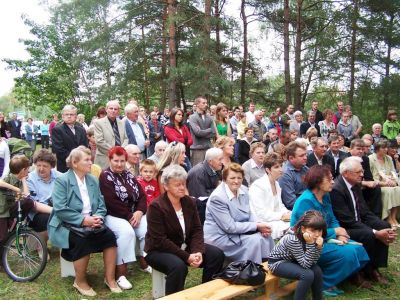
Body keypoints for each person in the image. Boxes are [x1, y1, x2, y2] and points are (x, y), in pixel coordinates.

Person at [48, 146, 121, 296]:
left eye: (90, 158)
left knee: (109, 237)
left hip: (91, 221)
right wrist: (83, 220)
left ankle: (110, 279)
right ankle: (80, 281)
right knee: (83, 240)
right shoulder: (62, 180)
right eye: (87, 160)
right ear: (74, 163)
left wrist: (98, 217)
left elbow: (101, 204)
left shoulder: (92, 179)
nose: (91, 162)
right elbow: (60, 209)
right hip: (66, 224)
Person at [145, 165, 225, 295]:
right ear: (166, 186)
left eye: (183, 184)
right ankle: (173, 298)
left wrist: (197, 251)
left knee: (216, 254)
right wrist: (187, 257)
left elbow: (197, 230)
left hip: (184, 245)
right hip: (158, 250)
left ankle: (208, 294)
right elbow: (160, 240)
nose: (182, 187)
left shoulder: (189, 202)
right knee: (178, 267)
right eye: (177, 185)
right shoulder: (156, 207)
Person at [291, 165, 369, 296]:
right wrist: (335, 232)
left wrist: (341, 234)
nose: (333, 182)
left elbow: (332, 218)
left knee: (360, 249)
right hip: (306, 244)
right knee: (349, 253)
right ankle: (323, 283)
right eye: (329, 179)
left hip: (324, 238)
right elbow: (310, 232)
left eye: (332, 178)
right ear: (317, 181)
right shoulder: (306, 201)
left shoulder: (325, 196)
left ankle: (331, 276)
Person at [330, 156, 396, 285]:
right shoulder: (337, 189)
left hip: (357, 222)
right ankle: (359, 272)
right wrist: (374, 232)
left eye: (362, 171)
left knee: (384, 226)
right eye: (358, 172)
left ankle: (374, 268)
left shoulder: (354, 184)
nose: (362, 174)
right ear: (346, 173)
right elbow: (347, 220)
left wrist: (379, 226)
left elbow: (365, 211)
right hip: (345, 228)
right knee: (368, 234)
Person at [99, 147, 150, 290]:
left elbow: (141, 196)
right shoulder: (105, 176)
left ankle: (145, 262)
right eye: (116, 161)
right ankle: (120, 274)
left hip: (134, 214)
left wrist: (140, 211)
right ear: (110, 160)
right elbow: (111, 202)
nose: (119, 164)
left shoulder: (128, 174)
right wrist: (129, 216)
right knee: (127, 232)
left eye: (122, 161)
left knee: (147, 229)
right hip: (113, 215)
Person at [204, 163, 274, 263]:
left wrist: (260, 227)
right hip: (221, 237)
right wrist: (257, 226)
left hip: (239, 232)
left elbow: (249, 214)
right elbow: (229, 227)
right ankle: (251, 272)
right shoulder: (217, 198)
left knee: (266, 237)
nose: (236, 181)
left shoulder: (244, 190)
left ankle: (269, 270)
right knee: (255, 241)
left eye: (239, 178)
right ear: (224, 179)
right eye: (232, 178)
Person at [0, 155, 51, 259]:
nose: (29, 171)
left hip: (9, 212)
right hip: (1, 212)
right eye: (27, 169)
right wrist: (16, 189)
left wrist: (23, 180)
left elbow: (27, 196)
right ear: (23, 170)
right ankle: (2, 263)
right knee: (2, 237)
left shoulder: (21, 180)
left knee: (28, 202)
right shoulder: (8, 178)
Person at [268, 210, 324, 300]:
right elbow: (306, 265)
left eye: (319, 230)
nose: (317, 234)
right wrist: (311, 244)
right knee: (307, 275)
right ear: (303, 229)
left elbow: (313, 261)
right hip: (277, 263)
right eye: (313, 230)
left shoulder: (311, 236)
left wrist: (318, 247)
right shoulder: (293, 239)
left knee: (317, 270)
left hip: (294, 259)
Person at [249, 152, 291, 239]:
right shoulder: (258, 186)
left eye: (281, 166)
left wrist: (288, 213)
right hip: (262, 222)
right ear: (268, 170)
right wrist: (282, 216)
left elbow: (280, 205)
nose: (281, 169)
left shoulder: (277, 184)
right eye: (276, 167)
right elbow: (261, 213)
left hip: (276, 219)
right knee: (293, 228)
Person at [27, 149, 59, 244]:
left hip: (57, 207)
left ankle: (63, 245)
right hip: (37, 212)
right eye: (38, 165)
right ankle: (41, 246)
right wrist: (55, 211)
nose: (41, 169)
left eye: (45, 166)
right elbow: (34, 204)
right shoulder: (30, 179)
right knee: (47, 218)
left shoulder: (60, 177)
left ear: (52, 167)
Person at [187, 148, 223, 224]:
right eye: (220, 159)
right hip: (200, 214)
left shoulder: (216, 169)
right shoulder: (198, 172)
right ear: (210, 161)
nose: (222, 162)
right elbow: (200, 198)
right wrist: (218, 189)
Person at [348, 139, 382, 218]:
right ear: (351, 149)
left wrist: (368, 183)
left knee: (376, 189)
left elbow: (369, 177)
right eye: (358, 149)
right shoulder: (345, 158)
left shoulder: (365, 159)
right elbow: (348, 179)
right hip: (350, 186)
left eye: (362, 149)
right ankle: (361, 217)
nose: (360, 151)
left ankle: (376, 217)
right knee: (357, 189)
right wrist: (363, 183)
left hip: (362, 185)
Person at [368, 140, 400, 225]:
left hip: (390, 182)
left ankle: (394, 217)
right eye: (383, 147)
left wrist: (394, 181)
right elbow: (370, 176)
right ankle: (388, 217)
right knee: (389, 192)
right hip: (378, 183)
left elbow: (393, 171)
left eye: (386, 147)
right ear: (377, 149)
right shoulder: (370, 158)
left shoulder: (388, 158)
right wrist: (383, 183)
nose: (386, 149)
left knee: (398, 190)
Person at [51, 105, 89, 173]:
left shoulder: (81, 130)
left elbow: (85, 147)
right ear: (63, 116)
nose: (69, 116)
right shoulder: (57, 130)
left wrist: (82, 160)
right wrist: (76, 160)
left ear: (76, 116)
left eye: (71, 114)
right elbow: (59, 150)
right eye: (66, 114)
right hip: (65, 166)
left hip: (82, 166)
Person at [94, 100, 128, 169]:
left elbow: (126, 138)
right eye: (111, 108)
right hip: (105, 159)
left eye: (115, 109)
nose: (113, 111)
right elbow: (99, 141)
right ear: (106, 109)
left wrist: (121, 150)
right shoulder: (98, 123)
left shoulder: (122, 123)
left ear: (118, 111)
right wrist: (115, 151)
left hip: (120, 159)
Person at [278, 141, 309, 209]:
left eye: (305, 154)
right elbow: (290, 202)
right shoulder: (285, 174)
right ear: (291, 158)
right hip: (297, 211)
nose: (305, 158)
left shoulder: (305, 169)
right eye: (301, 156)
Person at [189, 96, 216, 166]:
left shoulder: (210, 117)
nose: (206, 105)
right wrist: (209, 130)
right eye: (203, 103)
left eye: (206, 103)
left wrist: (202, 132)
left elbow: (213, 133)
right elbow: (197, 133)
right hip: (197, 149)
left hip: (208, 148)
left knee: (210, 170)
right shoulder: (192, 117)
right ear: (197, 104)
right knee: (197, 171)